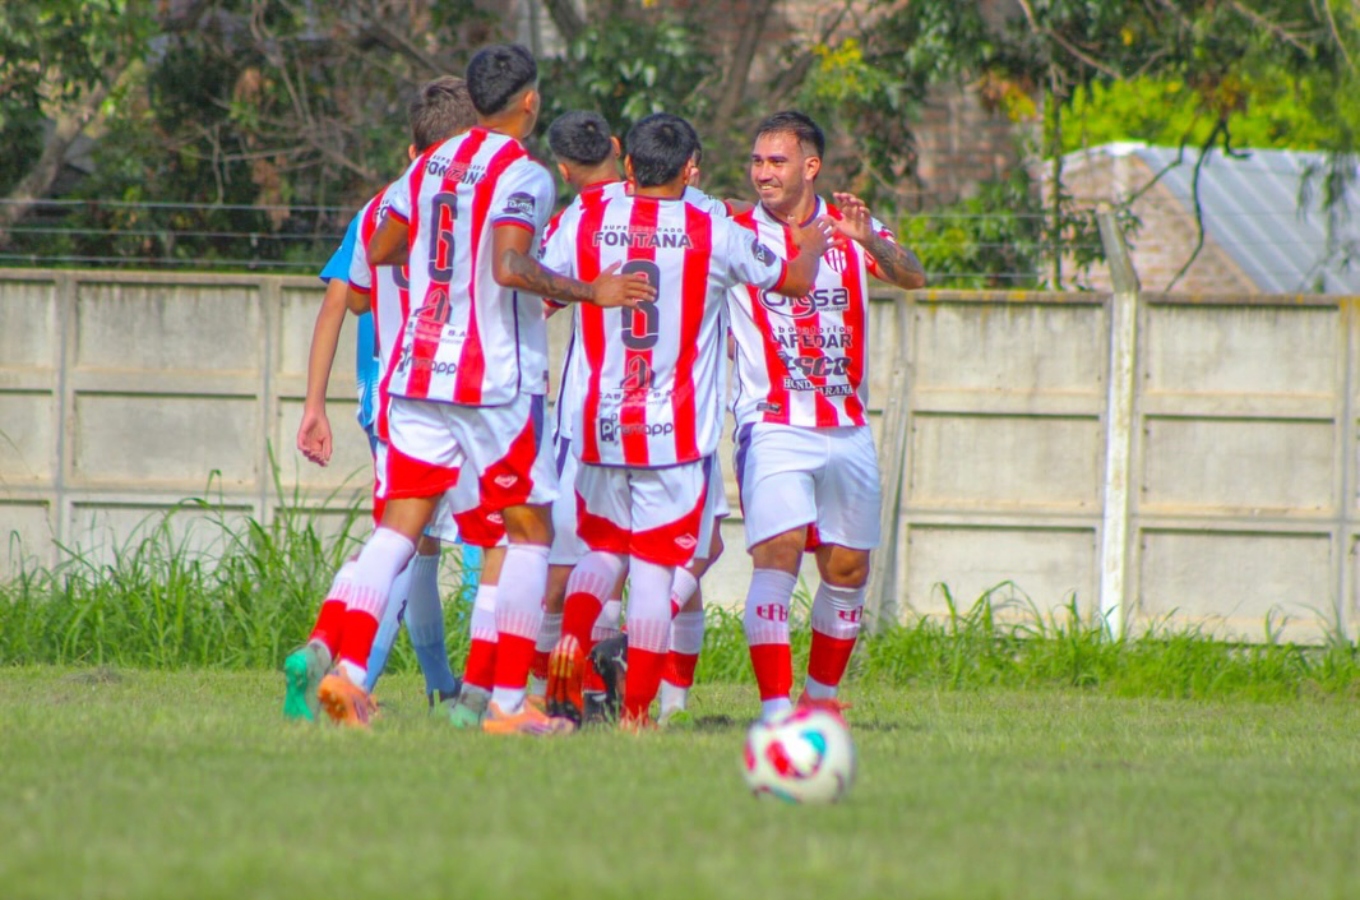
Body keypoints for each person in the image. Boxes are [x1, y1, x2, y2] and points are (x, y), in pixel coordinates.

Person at [319, 43, 652, 734]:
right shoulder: (526, 175)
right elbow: (507, 265)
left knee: (397, 529)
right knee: (528, 532)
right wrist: (594, 290)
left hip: (414, 372)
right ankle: (504, 704)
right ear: (529, 103)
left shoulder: (428, 165)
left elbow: (381, 249)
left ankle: (348, 679)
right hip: (492, 382)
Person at [542, 112, 833, 728]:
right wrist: (812, 242)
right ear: (690, 170)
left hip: (597, 424)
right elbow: (797, 280)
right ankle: (639, 712)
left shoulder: (586, 216)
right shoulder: (713, 228)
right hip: (671, 438)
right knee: (653, 571)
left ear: (627, 166)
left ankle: (570, 650)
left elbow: (541, 286)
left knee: (600, 552)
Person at [282, 76, 475, 721]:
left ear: (410, 139)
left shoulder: (377, 208)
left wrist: (314, 404)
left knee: (411, 541)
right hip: (453, 395)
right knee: (476, 542)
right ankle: (353, 670)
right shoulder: (470, 198)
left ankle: (433, 681)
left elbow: (346, 300)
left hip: (386, 401)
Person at [726, 111, 925, 721]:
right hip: (773, 423)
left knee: (847, 565)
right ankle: (772, 711)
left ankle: (821, 699)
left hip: (846, 425)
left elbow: (914, 276)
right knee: (778, 551)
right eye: (757, 161)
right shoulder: (733, 228)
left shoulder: (848, 231)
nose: (763, 173)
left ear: (810, 167)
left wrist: (871, 241)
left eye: (776, 161)